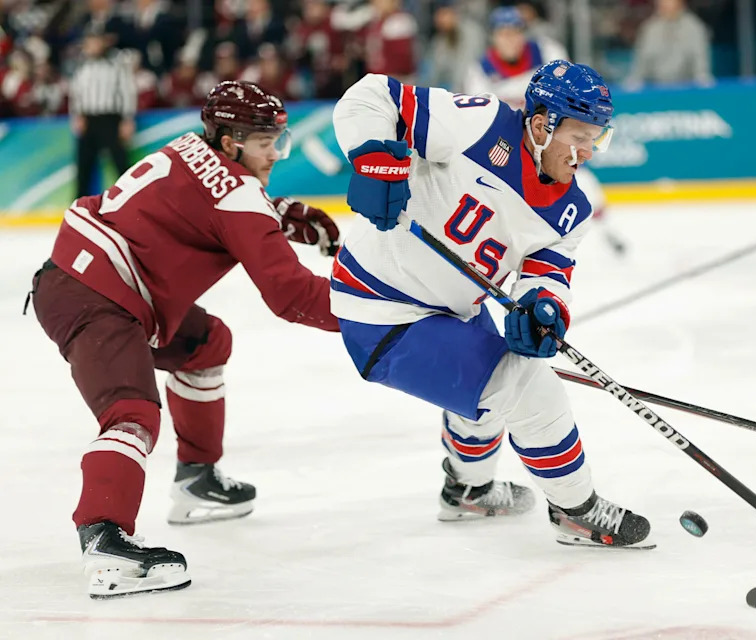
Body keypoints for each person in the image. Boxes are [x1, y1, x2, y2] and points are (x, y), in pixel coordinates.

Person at [28, 80, 341, 598]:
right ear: (232, 141)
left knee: (205, 343)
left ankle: (197, 477)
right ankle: (106, 541)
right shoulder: (238, 194)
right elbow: (291, 294)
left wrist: (280, 214)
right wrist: (375, 310)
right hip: (97, 297)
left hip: (82, 278)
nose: (275, 153)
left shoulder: (187, 148)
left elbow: (204, 202)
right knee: (132, 414)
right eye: (266, 142)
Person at [330, 61, 651, 548]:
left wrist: (543, 308)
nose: (588, 152)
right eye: (580, 136)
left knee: (485, 402)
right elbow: (371, 95)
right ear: (543, 124)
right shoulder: (478, 123)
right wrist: (374, 158)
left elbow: (548, 275)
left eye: (597, 138)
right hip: (382, 307)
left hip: (452, 307)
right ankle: (575, 511)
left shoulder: (572, 209)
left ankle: (467, 492)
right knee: (527, 389)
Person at [464, 7, 623, 254]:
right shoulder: (480, 70)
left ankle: (609, 232)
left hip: (555, 138)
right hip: (517, 141)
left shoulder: (548, 52)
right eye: (503, 33)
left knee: (586, 184)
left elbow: (573, 90)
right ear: (493, 37)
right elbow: (482, 114)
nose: (510, 39)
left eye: (515, 32)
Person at [69, 29, 136, 198]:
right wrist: (77, 116)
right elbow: (76, 93)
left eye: (94, 42)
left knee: (120, 164)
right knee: (83, 167)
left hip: (110, 118)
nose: (91, 46)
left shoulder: (116, 65)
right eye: (88, 42)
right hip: (88, 119)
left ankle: (130, 201)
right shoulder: (81, 66)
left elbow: (127, 91)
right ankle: (78, 207)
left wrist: (127, 119)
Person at [624, 0, 712, 88]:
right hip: (655, 90)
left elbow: (702, 70)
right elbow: (639, 69)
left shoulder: (695, 28)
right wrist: (633, 83)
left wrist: (703, 82)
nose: (664, 3)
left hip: (686, 90)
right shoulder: (649, 29)